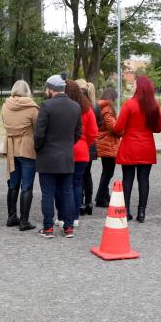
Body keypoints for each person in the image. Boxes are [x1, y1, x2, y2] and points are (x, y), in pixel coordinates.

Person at [34, 75, 81, 238]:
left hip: (47, 156)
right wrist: (67, 144)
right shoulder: (75, 106)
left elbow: (39, 133)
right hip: (66, 156)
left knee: (47, 193)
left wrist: (38, 148)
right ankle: (68, 227)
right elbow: (78, 133)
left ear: (51, 89)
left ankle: (48, 228)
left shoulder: (46, 106)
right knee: (67, 192)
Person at [114, 75, 161, 222]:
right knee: (144, 180)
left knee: (127, 179)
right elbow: (158, 128)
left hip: (130, 146)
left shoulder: (129, 104)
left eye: (134, 84)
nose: (133, 86)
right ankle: (142, 212)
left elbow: (118, 128)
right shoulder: (154, 106)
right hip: (146, 146)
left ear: (139, 87)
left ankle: (126, 211)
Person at [1, 79, 40, 231]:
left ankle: (11, 217)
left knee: (13, 184)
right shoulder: (32, 108)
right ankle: (24, 221)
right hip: (27, 148)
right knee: (27, 186)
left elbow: (5, 123)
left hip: (11, 147)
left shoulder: (5, 106)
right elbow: (38, 129)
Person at [66, 80, 98, 226]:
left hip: (65, 150)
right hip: (82, 151)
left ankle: (64, 215)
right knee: (77, 184)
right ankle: (75, 217)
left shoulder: (64, 107)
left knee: (65, 185)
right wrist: (85, 144)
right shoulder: (87, 109)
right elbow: (93, 133)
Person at [94, 88, 120, 208]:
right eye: (115, 99)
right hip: (108, 143)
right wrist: (122, 129)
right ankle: (100, 198)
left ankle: (104, 195)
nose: (115, 101)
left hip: (104, 142)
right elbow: (114, 127)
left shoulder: (100, 106)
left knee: (106, 171)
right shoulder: (107, 109)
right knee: (108, 172)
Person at [76, 80, 99, 216]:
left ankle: (80, 203)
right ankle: (89, 202)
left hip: (82, 143)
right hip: (90, 144)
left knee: (78, 177)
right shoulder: (94, 105)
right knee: (87, 174)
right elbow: (98, 125)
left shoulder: (78, 104)